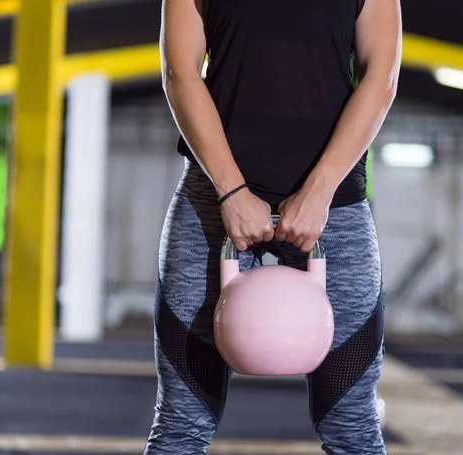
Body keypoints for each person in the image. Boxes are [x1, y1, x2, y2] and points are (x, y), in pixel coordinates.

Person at [145, 0, 402, 453]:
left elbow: (381, 77)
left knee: (353, 428)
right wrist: (230, 192)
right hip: (213, 203)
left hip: (332, 209)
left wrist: (319, 192)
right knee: (181, 425)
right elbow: (180, 74)